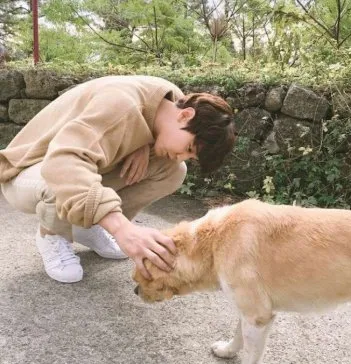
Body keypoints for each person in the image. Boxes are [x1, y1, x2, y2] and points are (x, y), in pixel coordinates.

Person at [0, 75, 236, 283]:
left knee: (173, 170)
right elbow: (62, 162)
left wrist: (145, 142)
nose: (182, 156)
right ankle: (52, 234)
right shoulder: (120, 105)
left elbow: (144, 118)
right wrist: (121, 228)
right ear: (185, 115)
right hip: (26, 169)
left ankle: (89, 226)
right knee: (64, 177)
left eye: (191, 156)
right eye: (188, 148)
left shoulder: (169, 102)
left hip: (80, 163)